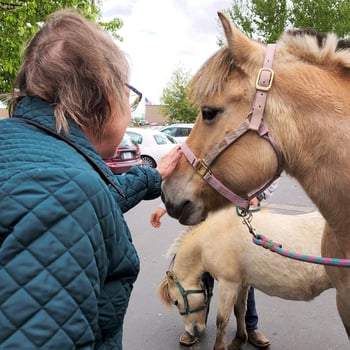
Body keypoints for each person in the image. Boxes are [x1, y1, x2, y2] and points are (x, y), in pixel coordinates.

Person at [0, 9, 182, 350]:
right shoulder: (64, 192)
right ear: (108, 93)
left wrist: (152, 177)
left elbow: (92, 203)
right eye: (130, 94)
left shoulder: (28, 154)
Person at [150, 181, 280, 348]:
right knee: (201, 277)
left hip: (235, 221)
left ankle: (250, 327)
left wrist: (260, 194)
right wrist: (164, 206)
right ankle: (196, 325)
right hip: (204, 217)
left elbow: (272, 174)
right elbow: (183, 177)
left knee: (243, 276)